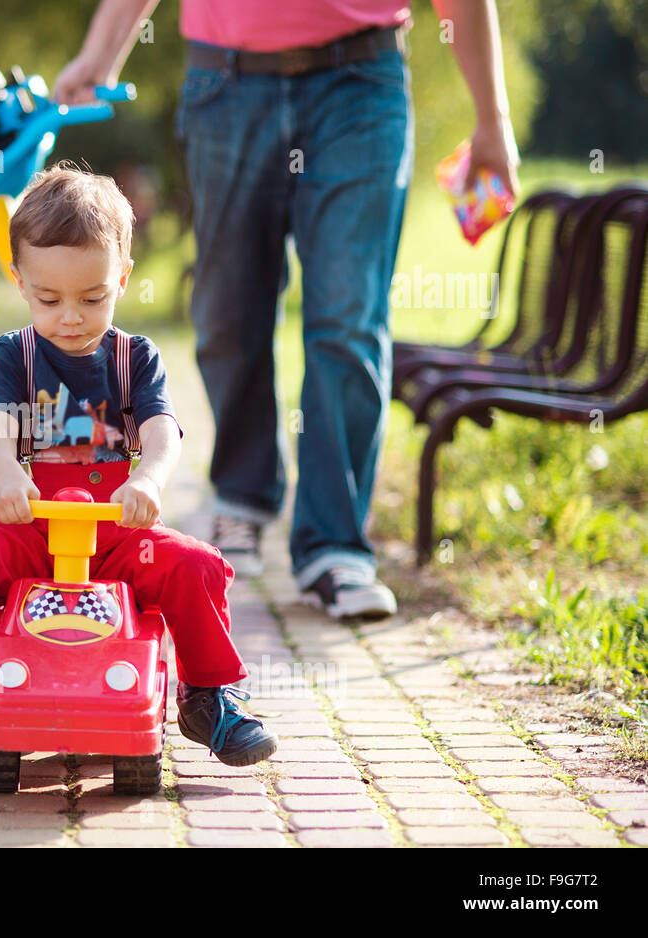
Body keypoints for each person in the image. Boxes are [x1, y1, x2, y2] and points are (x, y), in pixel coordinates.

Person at [54, 0, 521, 618]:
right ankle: (243, 497)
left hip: (360, 81)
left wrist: (493, 116)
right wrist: (100, 57)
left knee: (348, 316)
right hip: (226, 84)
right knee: (228, 306)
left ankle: (335, 545)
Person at [0, 164, 277, 767]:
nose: (71, 317)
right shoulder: (15, 354)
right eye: (49, 299)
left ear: (123, 279)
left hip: (119, 536)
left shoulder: (136, 357)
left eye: (93, 298)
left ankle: (210, 695)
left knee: (196, 565)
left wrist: (148, 479)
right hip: (37, 530)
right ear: (20, 281)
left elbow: (161, 428)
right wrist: (8, 477)